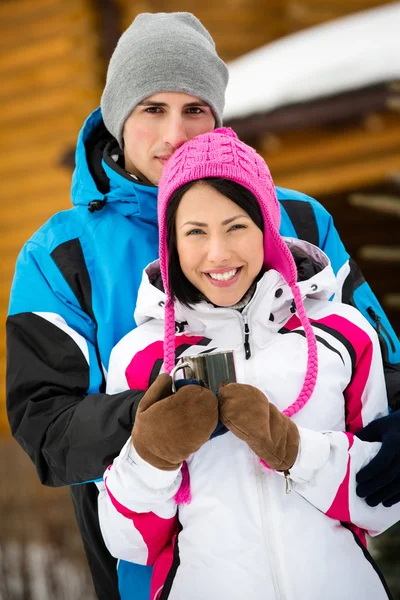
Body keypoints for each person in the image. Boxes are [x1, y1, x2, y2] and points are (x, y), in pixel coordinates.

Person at [5, 10, 400, 600]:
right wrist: (165, 421)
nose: (174, 134)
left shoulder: (297, 222)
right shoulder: (60, 256)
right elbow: (44, 424)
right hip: (156, 572)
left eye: (194, 109)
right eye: (152, 110)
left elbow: (376, 357)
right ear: (118, 118)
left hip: (321, 555)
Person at [99, 128, 399, 600]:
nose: (218, 253)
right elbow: (128, 542)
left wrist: (293, 449)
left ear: (267, 226)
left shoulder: (343, 333)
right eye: (195, 232)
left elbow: (381, 508)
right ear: (170, 242)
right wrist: (152, 457)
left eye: (236, 226)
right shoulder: (140, 357)